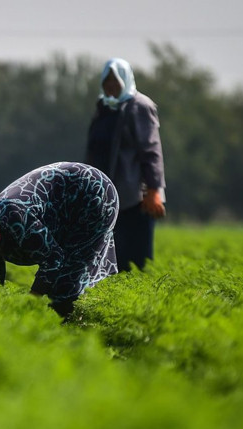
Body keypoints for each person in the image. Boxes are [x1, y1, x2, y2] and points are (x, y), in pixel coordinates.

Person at [0, 162, 118, 317]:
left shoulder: (14, 216)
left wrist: (30, 303)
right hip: (65, 209)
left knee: (66, 288)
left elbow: (53, 259)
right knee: (61, 287)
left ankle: (80, 332)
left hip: (91, 193)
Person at [85, 57, 166, 271]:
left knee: (136, 261)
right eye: (107, 81)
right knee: (110, 260)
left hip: (134, 198)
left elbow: (151, 150)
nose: (111, 85)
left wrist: (154, 189)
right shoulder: (104, 107)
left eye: (115, 81)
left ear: (125, 80)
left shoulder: (139, 106)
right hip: (106, 199)